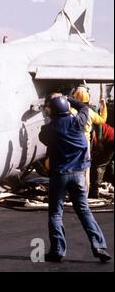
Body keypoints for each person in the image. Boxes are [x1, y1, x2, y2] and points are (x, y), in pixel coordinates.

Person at [39, 94, 111, 262]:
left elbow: (44, 138)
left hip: (59, 175)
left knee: (55, 214)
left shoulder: (49, 130)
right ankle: (99, 245)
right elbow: (85, 108)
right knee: (84, 211)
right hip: (79, 174)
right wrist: (69, 99)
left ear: (52, 112)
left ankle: (57, 251)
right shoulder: (79, 122)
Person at [72, 85, 107, 193]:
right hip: (85, 143)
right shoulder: (90, 112)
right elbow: (102, 120)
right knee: (86, 170)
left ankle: (72, 192)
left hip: (72, 142)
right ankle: (84, 195)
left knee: (72, 168)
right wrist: (104, 106)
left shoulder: (70, 111)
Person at [89, 123, 114, 199]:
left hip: (109, 140)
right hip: (109, 138)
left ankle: (94, 191)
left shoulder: (88, 129)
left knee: (99, 165)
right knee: (108, 164)